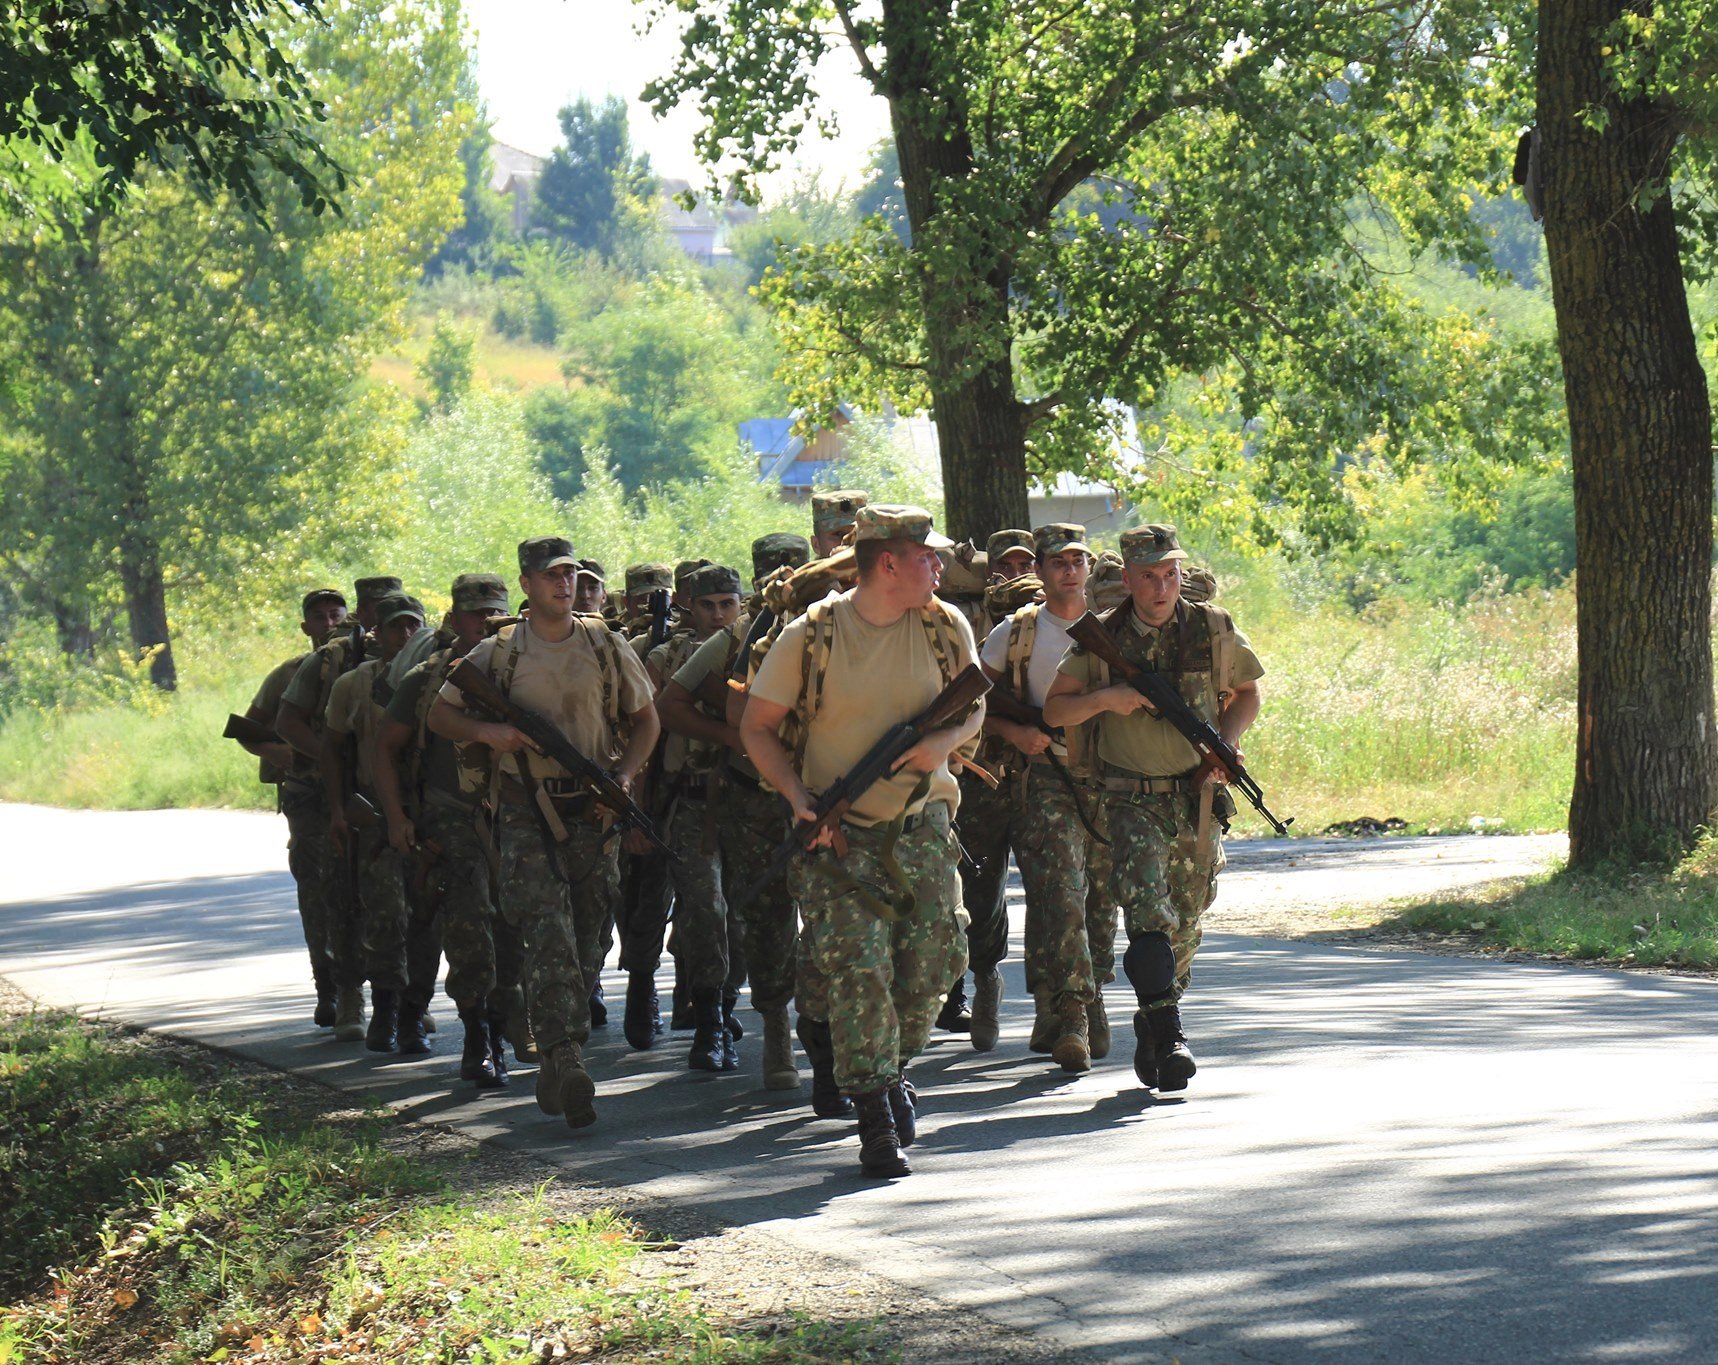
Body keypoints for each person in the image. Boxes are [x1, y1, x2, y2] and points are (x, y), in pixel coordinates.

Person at [741, 504, 982, 1177]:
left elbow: (975, 705)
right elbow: (757, 726)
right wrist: (797, 799)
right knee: (860, 968)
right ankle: (874, 1112)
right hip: (835, 834)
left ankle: (886, 1063)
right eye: (926, 555)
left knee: (939, 956)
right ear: (888, 564)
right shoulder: (811, 635)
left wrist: (938, 744)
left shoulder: (944, 625)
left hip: (922, 825)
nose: (938, 565)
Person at [430, 536, 659, 1130]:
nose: (564, 583)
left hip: (595, 809)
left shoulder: (605, 644)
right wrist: (491, 735)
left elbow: (646, 721)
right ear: (527, 584)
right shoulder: (500, 651)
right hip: (524, 810)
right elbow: (441, 713)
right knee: (546, 927)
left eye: (571, 574)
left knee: (589, 936)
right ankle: (564, 1055)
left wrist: (625, 776)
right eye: (551, 575)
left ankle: (559, 1039)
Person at [1043, 524, 1263, 1092]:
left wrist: (1227, 744)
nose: (1162, 588)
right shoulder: (1103, 639)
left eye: (1171, 575)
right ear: (1129, 578)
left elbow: (1247, 693)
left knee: (1188, 921)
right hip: (1129, 797)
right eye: (1149, 577)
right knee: (1148, 915)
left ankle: (1152, 1016)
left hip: (1197, 797)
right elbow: (1055, 712)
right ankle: (1171, 1037)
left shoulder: (1212, 630)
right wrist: (1105, 699)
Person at [660, 534, 816, 1095]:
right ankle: (777, 1028)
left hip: (834, 794)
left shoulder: (848, 624)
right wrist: (738, 736)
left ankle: (831, 1032)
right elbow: (672, 702)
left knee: (836, 917)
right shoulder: (743, 637)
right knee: (769, 919)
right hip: (756, 799)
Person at [374, 573, 521, 1089]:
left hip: (517, 817)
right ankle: (478, 1035)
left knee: (515, 925)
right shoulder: (426, 677)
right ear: (455, 619)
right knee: (468, 922)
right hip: (451, 817)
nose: (486, 621)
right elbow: (384, 748)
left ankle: (508, 1024)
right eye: (475, 613)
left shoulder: (524, 670)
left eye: (495, 612)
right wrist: (397, 816)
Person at [980, 524, 1116, 1072]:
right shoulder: (1016, 633)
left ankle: (1091, 994)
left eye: (1078, 560)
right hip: (1045, 772)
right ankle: (1071, 1010)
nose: (1069, 569)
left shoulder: (1111, 626)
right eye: (1057, 561)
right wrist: (1013, 734)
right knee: (1060, 891)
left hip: (1110, 774)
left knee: (1102, 898)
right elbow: (974, 698)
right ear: (1039, 569)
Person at [274, 575, 402, 1038]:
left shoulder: (418, 654)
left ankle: (404, 995)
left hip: (399, 796)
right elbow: (280, 720)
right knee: (336, 894)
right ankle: (342, 990)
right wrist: (329, 765)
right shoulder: (329, 662)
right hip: (331, 796)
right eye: (373, 609)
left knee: (402, 899)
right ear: (362, 614)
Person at [937, 527, 1037, 1047]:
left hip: (1046, 776)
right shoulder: (966, 619)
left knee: (1053, 891)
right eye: (1006, 565)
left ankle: (1061, 1007)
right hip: (982, 778)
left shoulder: (1053, 618)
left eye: (1026, 564)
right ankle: (979, 980)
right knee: (978, 887)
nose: (1016, 573)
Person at [322, 594, 435, 1053]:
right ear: (378, 633)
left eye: (413, 627)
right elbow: (332, 747)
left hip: (431, 813)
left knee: (428, 918)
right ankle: (385, 1008)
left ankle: (413, 1009)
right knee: (386, 915)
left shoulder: (438, 678)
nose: (405, 636)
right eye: (395, 628)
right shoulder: (355, 684)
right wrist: (336, 809)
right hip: (375, 813)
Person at [646, 563, 747, 1072]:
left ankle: (727, 1006)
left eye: (726, 604)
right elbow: (649, 729)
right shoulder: (665, 658)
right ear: (690, 606)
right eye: (707, 605)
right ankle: (708, 1021)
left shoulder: (760, 651)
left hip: (749, 802)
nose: (717, 614)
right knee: (705, 911)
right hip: (690, 800)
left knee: (747, 915)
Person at [236, 587, 349, 1025]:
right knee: (317, 892)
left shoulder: (363, 668)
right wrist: (278, 753)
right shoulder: (288, 674)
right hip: (309, 799)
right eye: (319, 618)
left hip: (358, 797)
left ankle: (384, 992)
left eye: (335, 615)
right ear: (306, 627)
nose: (329, 625)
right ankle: (329, 988)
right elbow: (249, 728)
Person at [809, 488, 869, 559]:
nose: (849, 540)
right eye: (839, 534)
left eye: (856, 533)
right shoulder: (807, 570)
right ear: (816, 544)